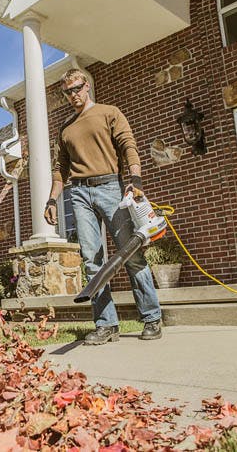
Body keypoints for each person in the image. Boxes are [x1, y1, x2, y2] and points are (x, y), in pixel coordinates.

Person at [44, 68, 162, 344]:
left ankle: (152, 318)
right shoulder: (65, 128)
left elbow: (128, 146)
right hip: (79, 194)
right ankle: (106, 325)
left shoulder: (109, 112)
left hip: (110, 187)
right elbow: (60, 169)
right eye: (68, 91)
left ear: (87, 86)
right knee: (91, 261)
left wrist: (136, 181)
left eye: (77, 88)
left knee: (130, 252)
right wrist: (51, 199)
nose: (73, 95)